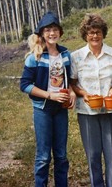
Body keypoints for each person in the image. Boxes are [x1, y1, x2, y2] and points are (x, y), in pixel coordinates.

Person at [20, 11, 76, 187]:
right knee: (44, 156)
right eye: (48, 30)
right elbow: (25, 85)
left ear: (59, 32)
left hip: (60, 109)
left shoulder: (66, 54)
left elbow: (70, 79)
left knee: (61, 155)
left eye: (55, 29)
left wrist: (72, 91)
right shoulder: (34, 57)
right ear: (42, 33)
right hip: (42, 109)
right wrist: (50, 95)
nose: (52, 33)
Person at [70, 13, 112, 187]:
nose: (94, 36)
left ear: (103, 33)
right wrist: (83, 94)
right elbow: (73, 83)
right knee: (93, 155)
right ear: (85, 34)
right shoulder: (76, 57)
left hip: (110, 110)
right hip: (87, 112)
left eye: (98, 32)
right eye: (90, 32)